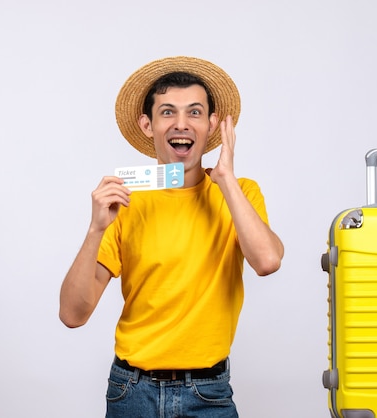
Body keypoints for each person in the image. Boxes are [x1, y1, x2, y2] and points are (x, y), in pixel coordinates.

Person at [59, 56, 284, 417]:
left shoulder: (240, 193)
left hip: (209, 393)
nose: (182, 124)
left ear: (212, 124)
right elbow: (72, 314)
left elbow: (268, 261)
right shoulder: (126, 201)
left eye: (195, 113)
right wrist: (95, 229)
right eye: (168, 112)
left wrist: (225, 180)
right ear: (147, 125)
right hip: (131, 392)